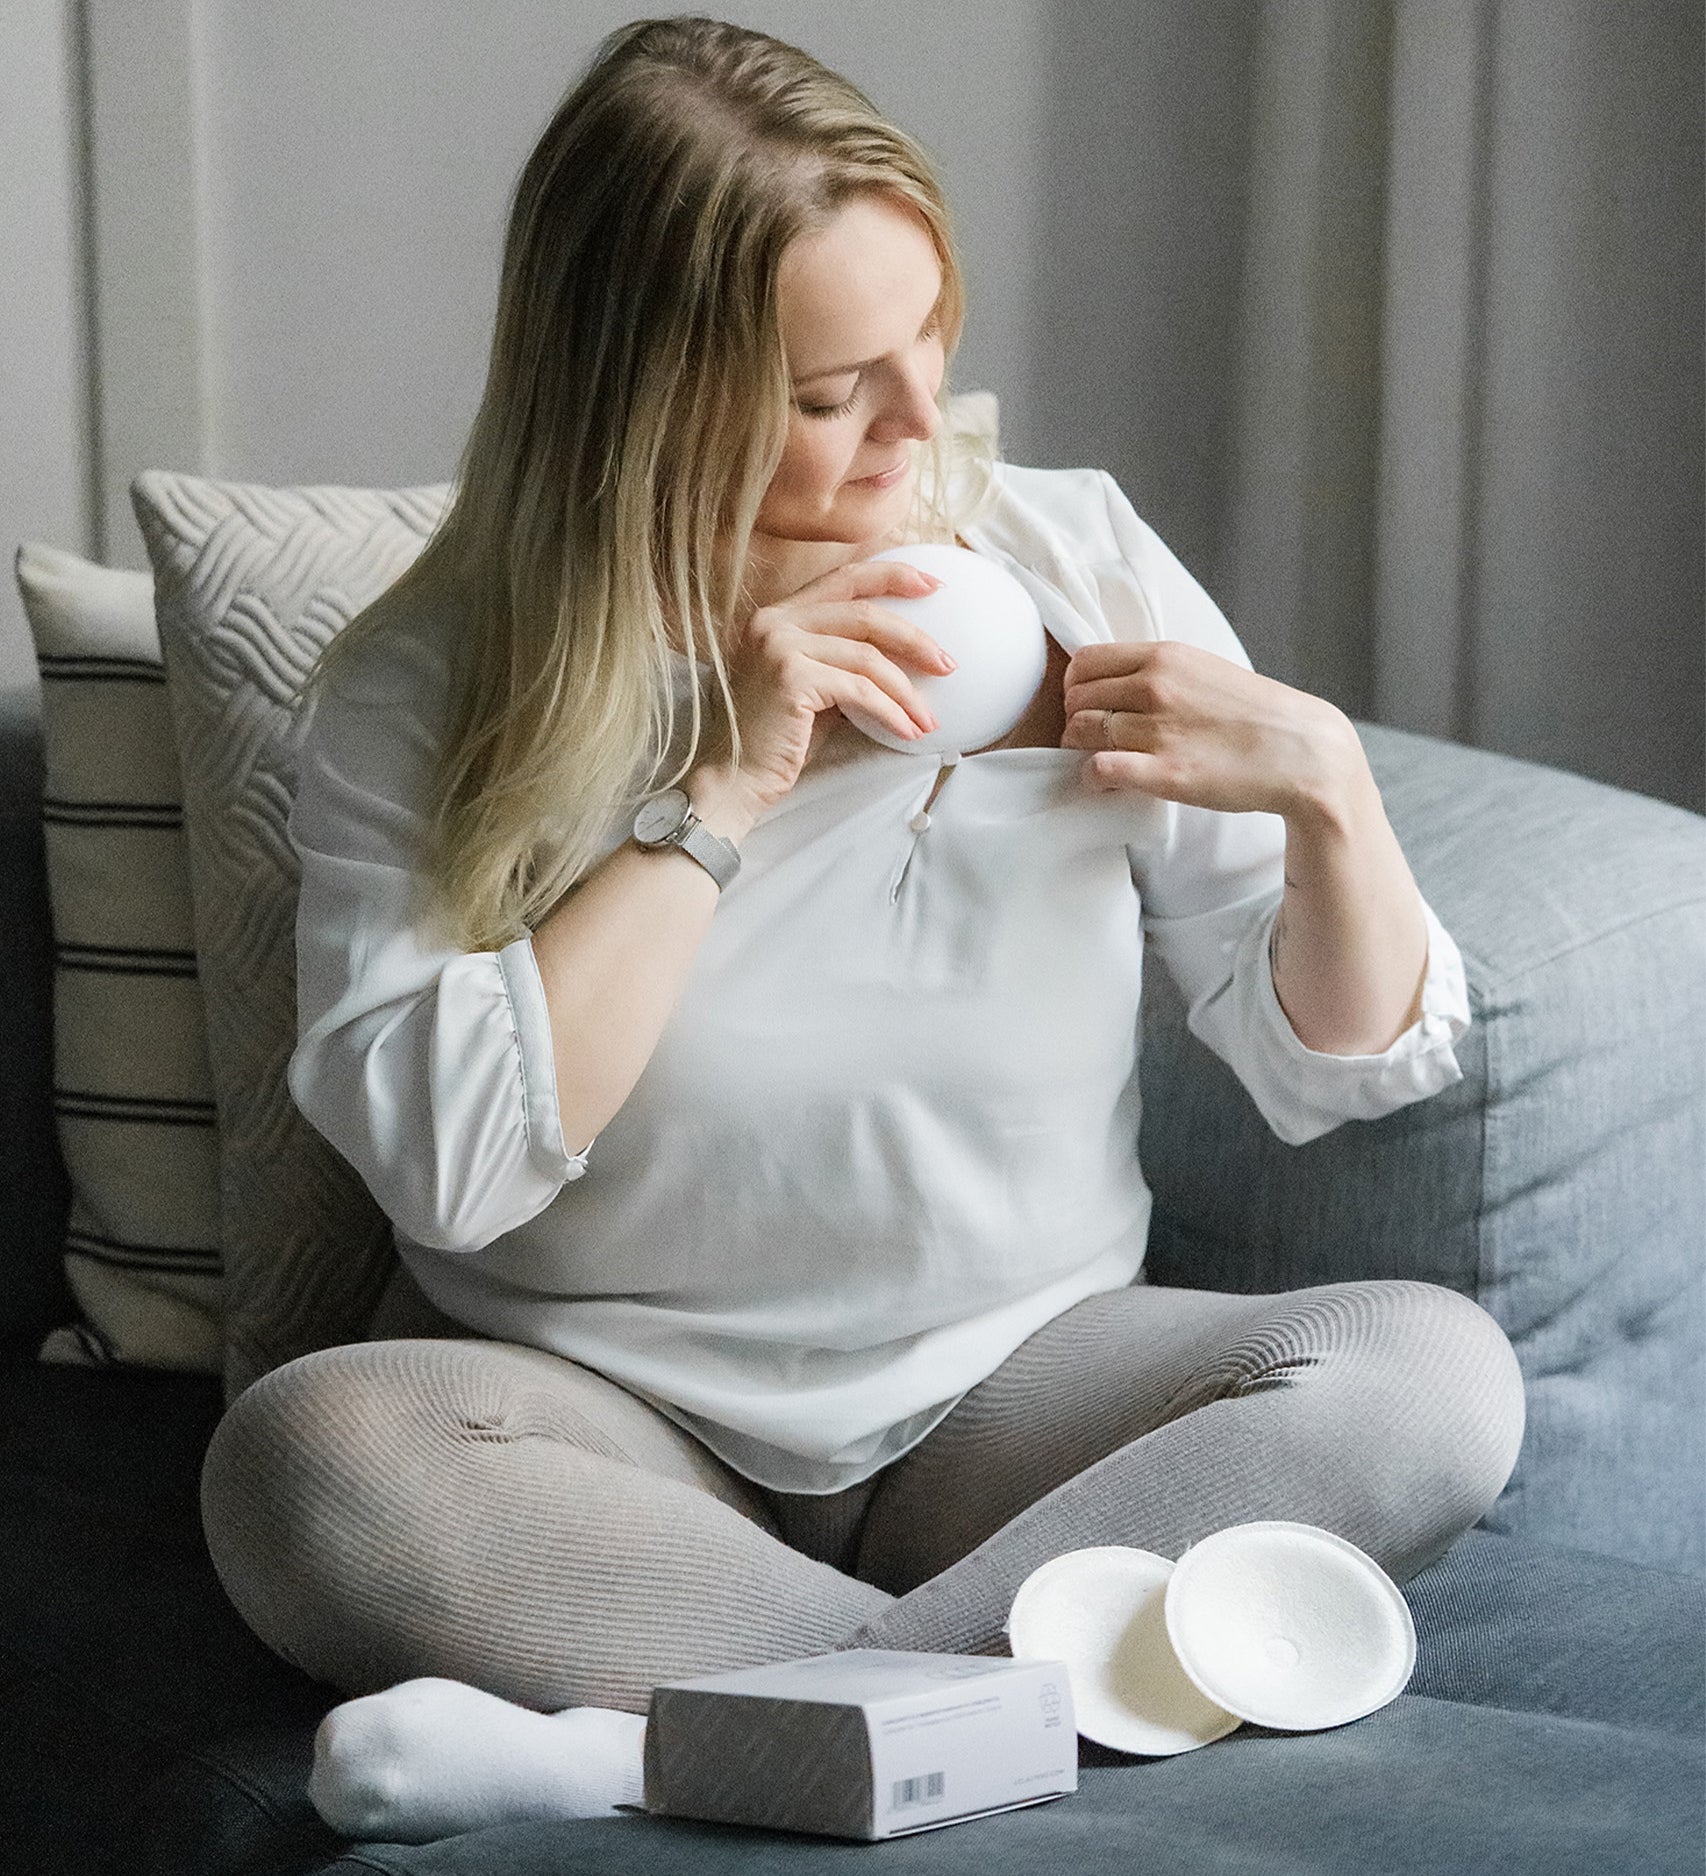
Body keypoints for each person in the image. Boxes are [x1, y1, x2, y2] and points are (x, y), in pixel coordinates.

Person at [197, 15, 1525, 1845]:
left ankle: (658, 1749)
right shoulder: (432, 686)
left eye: (928, 347)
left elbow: (1328, 1064)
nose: (920, 431)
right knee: (310, 1463)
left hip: (1015, 1397)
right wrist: (715, 795)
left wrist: (1324, 791)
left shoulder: (1066, 566)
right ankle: (1008, 1713)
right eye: (832, 395)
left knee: (1425, 1377)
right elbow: (451, 1174)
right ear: (640, 396)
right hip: (596, 1424)